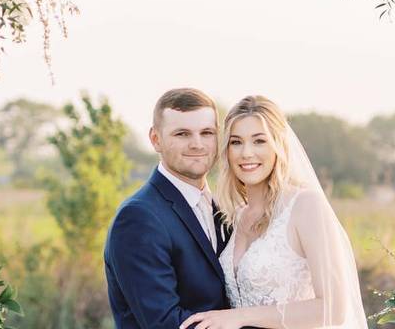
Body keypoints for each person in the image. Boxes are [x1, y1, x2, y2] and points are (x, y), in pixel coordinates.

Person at [180, 95, 368, 329]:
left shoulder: (305, 205)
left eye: (259, 141)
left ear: (278, 145)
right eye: (236, 142)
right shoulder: (235, 217)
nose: (246, 153)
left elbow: (334, 309)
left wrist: (240, 317)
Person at [104, 88, 231, 329]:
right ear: (155, 139)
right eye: (182, 134)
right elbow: (165, 323)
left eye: (207, 133)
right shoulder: (138, 218)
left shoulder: (223, 208)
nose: (197, 144)